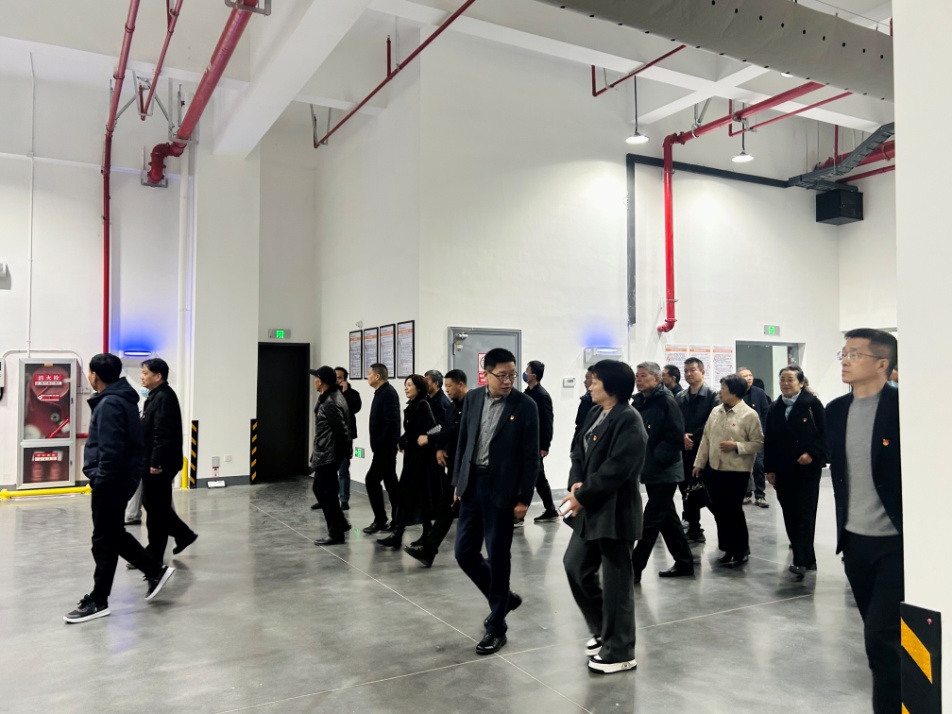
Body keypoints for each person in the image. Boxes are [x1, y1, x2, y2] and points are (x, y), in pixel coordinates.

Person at [65, 354, 175, 624]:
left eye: (89, 373)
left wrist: (101, 480)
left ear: (95, 376)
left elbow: (111, 450)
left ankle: (100, 599)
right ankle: (152, 571)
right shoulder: (119, 399)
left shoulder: (111, 403)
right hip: (117, 480)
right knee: (111, 536)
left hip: (111, 482)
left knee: (104, 539)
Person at [826, 329, 901, 714]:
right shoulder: (836, 410)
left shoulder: (903, 407)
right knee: (880, 641)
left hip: (896, 543)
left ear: (882, 363)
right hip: (855, 543)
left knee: (881, 637)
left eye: (855, 354)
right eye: (844, 353)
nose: (845, 360)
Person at [562, 360, 646, 674]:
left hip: (615, 511)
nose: (590, 385)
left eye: (595, 381)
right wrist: (576, 482)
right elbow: (578, 451)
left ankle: (620, 651)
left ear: (611, 386)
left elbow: (617, 469)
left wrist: (582, 494)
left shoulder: (628, 419)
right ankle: (603, 630)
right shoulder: (596, 413)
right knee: (575, 566)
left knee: (616, 584)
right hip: (592, 507)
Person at [453, 347, 540, 655]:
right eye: (501, 375)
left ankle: (497, 627)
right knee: (464, 552)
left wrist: (524, 499)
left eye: (512, 375)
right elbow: (464, 441)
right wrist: (458, 481)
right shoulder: (473, 399)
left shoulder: (525, 405)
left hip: (502, 490)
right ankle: (504, 599)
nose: (507, 381)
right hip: (472, 485)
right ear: (485, 374)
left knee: (499, 555)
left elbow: (531, 457)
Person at [630, 362, 694, 581]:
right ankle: (684, 562)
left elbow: (674, 436)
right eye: (637, 376)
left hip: (665, 470)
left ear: (656, 379)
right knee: (667, 518)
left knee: (651, 520)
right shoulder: (640, 402)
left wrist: (656, 459)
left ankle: (634, 568)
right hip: (649, 468)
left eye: (643, 376)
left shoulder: (666, 401)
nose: (638, 380)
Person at [692, 373, 764, 566]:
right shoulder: (716, 412)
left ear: (734, 392)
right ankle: (727, 548)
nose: (720, 392)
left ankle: (741, 548)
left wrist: (736, 446)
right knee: (720, 511)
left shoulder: (749, 415)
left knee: (733, 511)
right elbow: (706, 439)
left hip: (737, 471)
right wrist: (699, 463)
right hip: (715, 468)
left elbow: (758, 443)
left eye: (723, 389)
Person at [764, 365, 828, 576]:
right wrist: (769, 469)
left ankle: (802, 560)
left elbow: (825, 434)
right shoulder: (775, 407)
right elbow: (770, 440)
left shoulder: (812, 404)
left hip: (807, 469)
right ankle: (806, 559)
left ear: (801, 383)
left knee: (805, 514)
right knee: (789, 513)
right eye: (782, 379)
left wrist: (812, 453)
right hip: (783, 470)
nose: (785, 383)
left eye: (790, 379)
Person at [405, 369, 468, 568]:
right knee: (445, 508)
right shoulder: (452, 406)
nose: (447, 390)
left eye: (450, 386)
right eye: (446, 386)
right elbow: (447, 428)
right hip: (455, 464)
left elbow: (454, 430)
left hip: (469, 466)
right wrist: (440, 448)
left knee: (465, 510)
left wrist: (430, 439)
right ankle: (428, 551)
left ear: (460, 385)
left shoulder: (468, 405)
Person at [139, 358, 197, 563]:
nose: (142, 377)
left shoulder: (164, 397)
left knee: (156, 507)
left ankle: (162, 548)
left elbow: (163, 433)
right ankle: (178, 537)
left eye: (145, 373)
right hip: (154, 460)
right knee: (155, 506)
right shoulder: (156, 396)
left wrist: (156, 463)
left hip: (159, 463)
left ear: (158, 376)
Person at [377, 375, 441, 549]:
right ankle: (423, 532)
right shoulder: (412, 405)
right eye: (405, 385)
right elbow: (412, 430)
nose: (406, 388)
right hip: (412, 458)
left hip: (421, 459)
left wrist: (416, 440)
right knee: (416, 496)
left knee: (409, 495)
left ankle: (399, 534)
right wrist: (402, 440)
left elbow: (434, 428)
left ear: (419, 388)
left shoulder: (422, 405)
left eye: (410, 385)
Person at [677, 357, 719, 543]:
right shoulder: (681, 397)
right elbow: (676, 420)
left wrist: (692, 437)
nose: (688, 374)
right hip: (685, 451)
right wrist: (682, 436)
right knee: (687, 491)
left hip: (704, 451)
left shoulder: (713, 395)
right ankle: (694, 528)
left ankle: (727, 533)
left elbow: (712, 422)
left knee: (708, 493)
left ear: (702, 371)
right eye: (686, 371)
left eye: (692, 370)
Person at [309, 365, 352, 545]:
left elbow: (341, 430)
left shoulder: (331, 402)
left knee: (322, 490)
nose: (314, 381)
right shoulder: (329, 397)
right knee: (329, 491)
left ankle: (336, 533)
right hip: (327, 452)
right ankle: (340, 523)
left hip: (329, 454)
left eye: (316, 378)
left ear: (322, 382)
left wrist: (345, 453)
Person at [362, 363, 401, 534]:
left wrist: (380, 443)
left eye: (369, 373)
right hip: (383, 447)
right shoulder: (382, 392)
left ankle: (381, 519)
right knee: (391, 483)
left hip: (385, 448)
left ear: (377, 376)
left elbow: (391, 422)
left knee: (372, 480)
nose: (367, 376)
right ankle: (397, 519)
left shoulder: (388, 393)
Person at [521, 360, 559, 525]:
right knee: (537, 477)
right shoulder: (527, 393)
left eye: (527, 371)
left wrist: (545, 445)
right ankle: (550, 509)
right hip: (526, 442)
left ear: (534, 376)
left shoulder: (542, 396)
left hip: (536, 444)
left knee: (536, 477)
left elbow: (547, 421)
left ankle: (524, 513)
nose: (525, 373)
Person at [737, 367, 771, 508]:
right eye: (745, 376)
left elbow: (765, 413)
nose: (749, 378)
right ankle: (745, 493)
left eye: (750, 375)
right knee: (743, 467)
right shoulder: (736, 393)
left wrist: (763, 432)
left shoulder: (759, 393)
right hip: (740, 437)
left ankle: (760, 495)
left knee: (758, 466)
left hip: (757, 437)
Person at [335, 367, 361, 512]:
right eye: (335, 376)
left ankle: (344, 499)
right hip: (330, 436)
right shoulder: (329, 392)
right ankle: (327, 498)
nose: (336, 380)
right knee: (328, 470)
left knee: (343, 468)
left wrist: (345, 393)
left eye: (339, 377)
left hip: (346, 436)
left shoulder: (353, 394)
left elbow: (354, 408)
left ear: (344, 379)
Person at [573, 368, 595, 441]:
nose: (585, 382)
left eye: (587, 378)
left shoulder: (603, 405)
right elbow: (579, 426)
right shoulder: (585, 400)